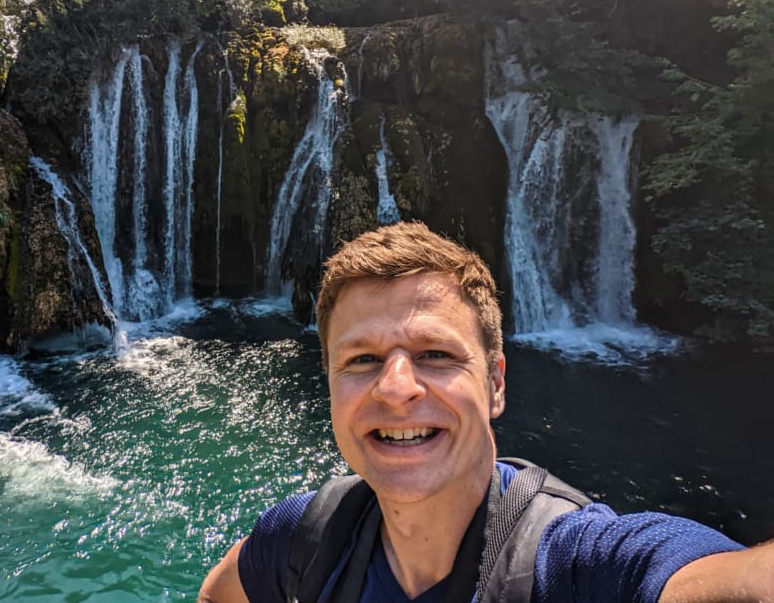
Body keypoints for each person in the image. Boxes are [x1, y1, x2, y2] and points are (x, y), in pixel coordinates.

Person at [199, 221, 774, 603]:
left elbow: (715, 581)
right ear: (330, 384)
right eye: (362, 359)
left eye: (435, 354)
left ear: (495, 382)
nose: (396, 387)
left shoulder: (572, 563)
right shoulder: (301, 536)